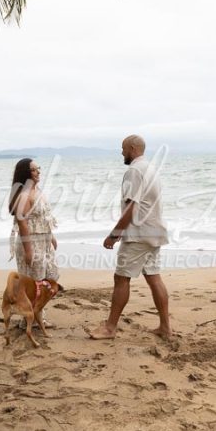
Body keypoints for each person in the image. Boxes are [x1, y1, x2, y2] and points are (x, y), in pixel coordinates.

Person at [88, 135, 172, 340]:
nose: (121, 152)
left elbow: (131, 207)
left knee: (121, 278)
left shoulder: (134, 171)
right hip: (154, 232)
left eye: (123, 148)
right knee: (153, 277)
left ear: (133, 148)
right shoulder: (150, 169)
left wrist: (114, 235)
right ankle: (165, 327)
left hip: (139, 235)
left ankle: (110, 328)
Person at [8, 158, 58, 328]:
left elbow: (43, 218)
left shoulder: (38, 191)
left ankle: (36, 314)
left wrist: (51, 237)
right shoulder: (23, 195)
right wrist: (29, 250)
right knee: (34, 283)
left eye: (39, 169)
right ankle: (30, 319)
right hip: (30, 242)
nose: (39, 172)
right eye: (35, 170)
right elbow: (22, 223)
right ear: (26, 173)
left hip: (43, 241)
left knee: (50, 279)